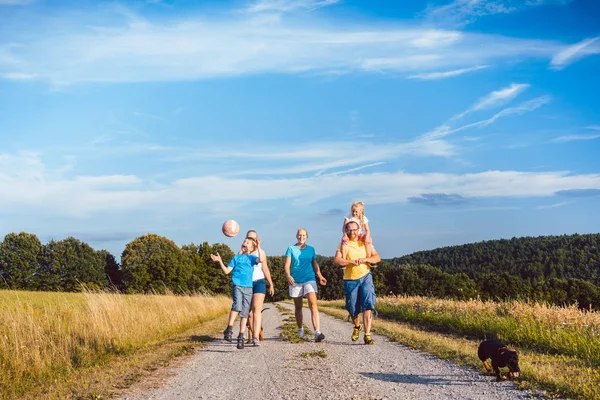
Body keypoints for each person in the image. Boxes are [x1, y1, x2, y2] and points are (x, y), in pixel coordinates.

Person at [211, 237, 266, 349]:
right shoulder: (236, 258)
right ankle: (229, 328)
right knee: (237, 306)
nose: (244, 243)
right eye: (244, 241)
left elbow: (261, 259)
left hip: (249, 288)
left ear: (251, 248)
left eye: (248, 243)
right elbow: (227, 271)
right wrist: (220, 261)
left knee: (245, 312)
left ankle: (241, 336)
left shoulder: (252, 258)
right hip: (238, 286)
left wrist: (259, 246)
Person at [334, 220, 381, 345]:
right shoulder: (343, 244)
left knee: (368, 304)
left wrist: (365, 259)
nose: (352, 232)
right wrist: (351, 262)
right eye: (349, 230)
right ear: (346, 231)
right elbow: (337, 260)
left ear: (358, 229)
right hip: (350, 279)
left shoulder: (365, 242)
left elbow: (377, 258)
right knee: (352, 307)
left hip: (365, 276)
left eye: (354, 230)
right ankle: (356, 326)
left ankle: (367, 335)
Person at [284, 228, 327, 342]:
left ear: (307, 236)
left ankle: (317, 332)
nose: (301, 237)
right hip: (296, 280)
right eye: (299, 235)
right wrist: (288, 275)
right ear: (296, 236)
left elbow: (315, 265)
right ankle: (300, 329)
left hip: (309, 278)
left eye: (303, 235)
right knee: (298, 307)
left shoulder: (311, 249)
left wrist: (320, 276)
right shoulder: (291, 249)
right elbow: (287, 265)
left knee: (313, 304)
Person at [243, 230, 275, 346]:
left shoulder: (261, 252)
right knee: (249, 313)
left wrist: (271, 283)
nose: (251, 240)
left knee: (257, 309)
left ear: (257, 239)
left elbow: (264, 268)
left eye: (254, 238)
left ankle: (255, 337)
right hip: (246, 284)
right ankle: (252, 333)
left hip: (259, 282)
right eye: (249, 238)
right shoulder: (242, 253)